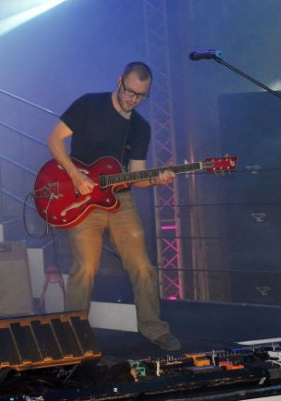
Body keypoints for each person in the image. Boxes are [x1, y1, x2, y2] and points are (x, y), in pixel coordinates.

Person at [46, 61, 181, 352]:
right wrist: (75, 174)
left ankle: (154, 328)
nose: (134, 99)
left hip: (121, 200)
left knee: (143, 266)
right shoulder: (89, 104)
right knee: (86, 267)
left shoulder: (140, 128)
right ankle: (73, 335)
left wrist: (157, 179)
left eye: (141, 95)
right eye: (130, 91)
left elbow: (138, 175)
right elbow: (54, 140)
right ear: (119, 81)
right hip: (81, 198)